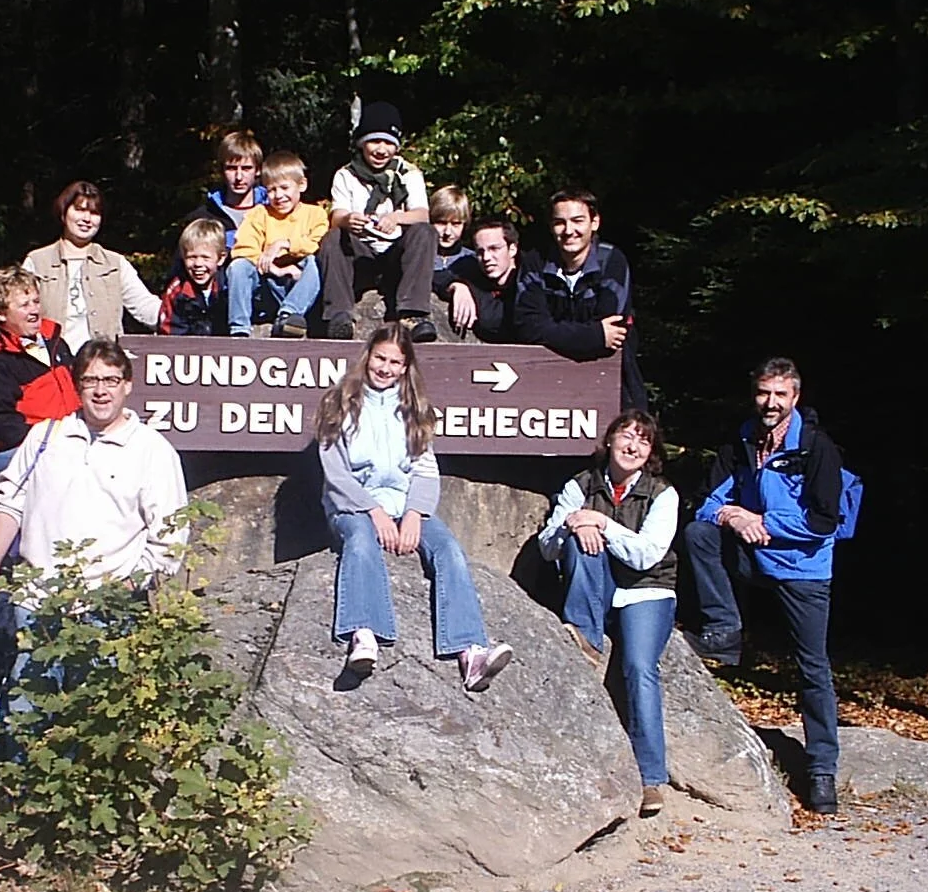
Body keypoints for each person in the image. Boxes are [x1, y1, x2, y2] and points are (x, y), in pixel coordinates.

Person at [684, 357, 843, 815]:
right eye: (763, 393)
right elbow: (707, 502)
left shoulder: (816, 448)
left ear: (795, 397)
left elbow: (823, 521)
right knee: (700, 534)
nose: (770, 403)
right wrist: (731, 515)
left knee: (813, 667)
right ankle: (723, 631)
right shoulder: (743, 440)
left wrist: (763, 521)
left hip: (802, 567)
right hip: (752, 553)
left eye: (780, 395)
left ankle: (822, 769)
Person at [315, 324, 513, 691]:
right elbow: (336, 473)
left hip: (404, 504)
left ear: (405, 367)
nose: (385, 368)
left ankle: (471, 651)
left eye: (395, 362)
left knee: (449, 550)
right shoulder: (338, 402)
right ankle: (364, 635)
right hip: (353, 507)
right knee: (361, 543)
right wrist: (373, 512)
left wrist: (414, 514)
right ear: (367, 357)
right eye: (380, 358)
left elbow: (425, 470)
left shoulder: (415, 409)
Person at [538, 411, 677, 817]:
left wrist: (600, 523)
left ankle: (650, 778)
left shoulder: (662, 494)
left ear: (651, 452)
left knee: (639, 668)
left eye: (643, 441)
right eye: (626, 436)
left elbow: (647, 555)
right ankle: (586, 637)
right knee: (578, 538)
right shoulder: (580, 484)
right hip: (598, 588)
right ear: (610, 440)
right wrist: (573, 525)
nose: (633, 446)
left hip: (646, 590)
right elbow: (547, 546)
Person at [0, 338, 188, 591]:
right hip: (34, 598)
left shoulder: (153, 450)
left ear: (127, 385)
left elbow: (170, 537)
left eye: (111, 380)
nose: (101, 391)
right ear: (78, 386)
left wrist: (124, 590)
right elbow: (9, 504)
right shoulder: (44, 437)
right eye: (90, 380)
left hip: (109, 603)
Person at [514, 187, 649, 410]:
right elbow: (527, 327)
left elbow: (613, 333)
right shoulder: (535, 262)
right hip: (545, 385)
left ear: (594, 223)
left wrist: (550, 331)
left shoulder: (611, 261)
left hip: (613, 388)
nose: (569, 231)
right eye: (560, 222)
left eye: (578, 221)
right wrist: (595, 335)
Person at [317, 102, 438, 344]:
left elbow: (422, 214)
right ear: (362, 143)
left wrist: (396, 218)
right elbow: (337, 215)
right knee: (334, 237)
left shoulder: (409, 173)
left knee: (425, 232)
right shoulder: (346, 175)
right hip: (362, 255)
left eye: (388, 143)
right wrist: (349, 220)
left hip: (396, 256)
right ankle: (339, 316)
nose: (382, 150)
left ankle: (412, 314)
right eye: (374, 141)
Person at [0, 265, 78, 492]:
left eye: (36, 302)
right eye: (24, 305)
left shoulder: (56, 343)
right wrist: (52, 440)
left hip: (65, 443)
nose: (34, 310)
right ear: (0, 313)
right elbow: (1, 424)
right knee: (63, 462)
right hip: (7, 454)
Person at [22, 181, 161, 351]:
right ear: (63, 213)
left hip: (102, 361)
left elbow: (146, 308)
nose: (87, 219)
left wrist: (182, 316)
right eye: (79, 210)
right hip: (49, 360)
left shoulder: (115, 264)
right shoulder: (37, 262)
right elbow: (20, 313)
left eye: (94, 213)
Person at [227, 150, 328, 338]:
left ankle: (288, 316)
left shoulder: (315, 214)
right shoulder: (259, 213)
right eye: (271, 190)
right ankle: (239, 329)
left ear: (302, 185)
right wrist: (276, 269)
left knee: (312, 262)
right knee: (239, 266)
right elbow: (243, 248)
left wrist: (284, 244)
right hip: (267, 282)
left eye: (284, 188)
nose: (278, 195)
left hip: (299, 284)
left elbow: (316, 243)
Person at [440, 216, 531, 343]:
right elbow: (435, 276)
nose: (486, 257)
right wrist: (457, 286)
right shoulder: (473, 274)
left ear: (512, 249)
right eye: (480, 251)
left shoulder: (533, 278)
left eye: (494, 249)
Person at [183, 130, 268, 254]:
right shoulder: (202, 217)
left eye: (246, 168)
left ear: (258, 170)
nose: (239, 177)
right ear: (221, 170)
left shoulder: (274, 212)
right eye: (231, 169)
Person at [159, 219, 230, 336]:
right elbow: (170, 332)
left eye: (205, 258)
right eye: (192, 257)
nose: (198, 264)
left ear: (221, 258)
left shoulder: (228, 288)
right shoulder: (178, 292)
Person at [429, 184, 474, 279]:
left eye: (455, 224)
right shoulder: (418, 258)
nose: (447, 232)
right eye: (441, 223)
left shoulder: (473, 260)